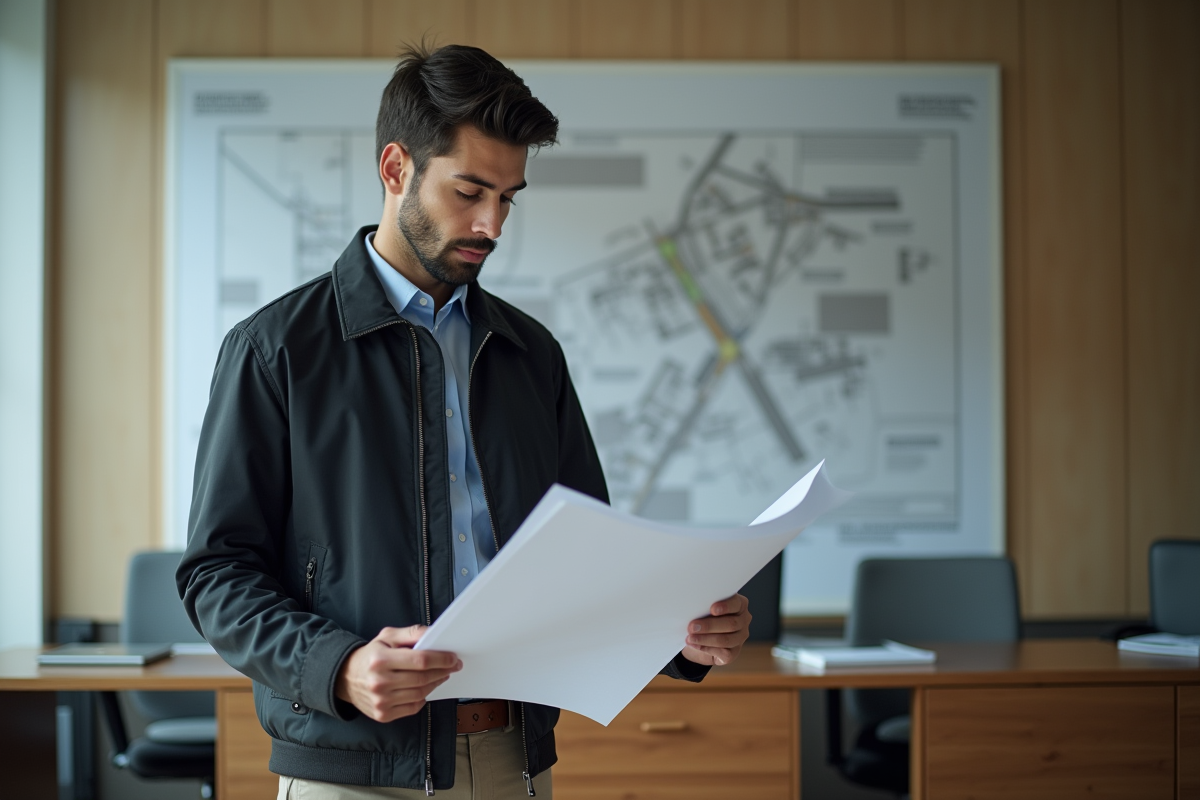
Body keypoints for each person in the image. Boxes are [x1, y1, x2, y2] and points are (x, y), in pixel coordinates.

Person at [177, 43, 751, 799]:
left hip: (516, 761)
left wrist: (679, 633)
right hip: (354, 769)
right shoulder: (275, 350)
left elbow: (586, 560)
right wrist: (338, 667)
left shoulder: (530, 354)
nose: (493, 224)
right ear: (395, 170)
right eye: (470, 191)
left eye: (508, 197)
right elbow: (217, 573)